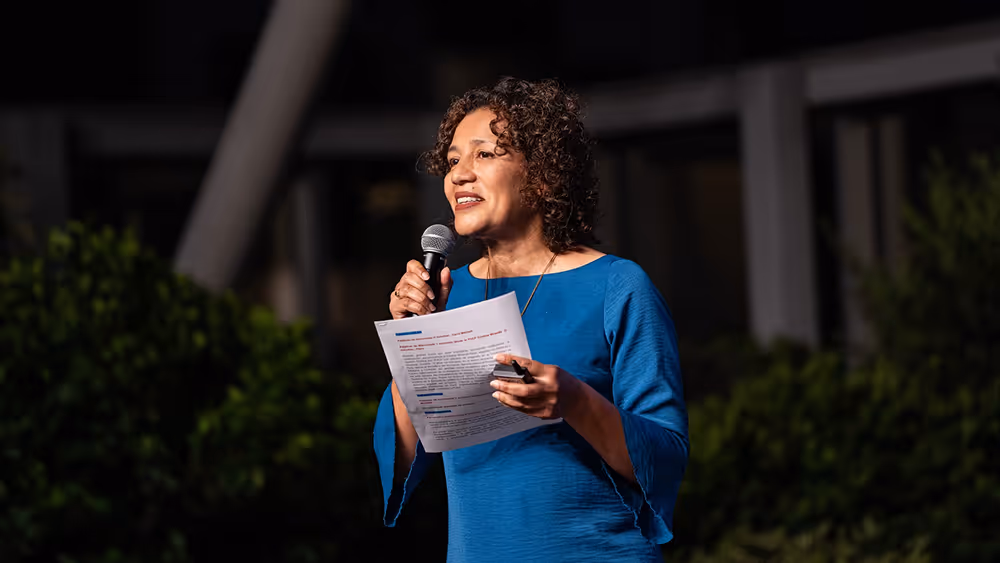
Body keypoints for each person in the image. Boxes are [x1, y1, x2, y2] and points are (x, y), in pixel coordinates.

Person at [373, 77, 689, 562]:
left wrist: (574, 400)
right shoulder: (447, 293)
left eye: (484, 154)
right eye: (453, 161)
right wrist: (411, 337)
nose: (459, 175)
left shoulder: (617, 285)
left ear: (543, 174)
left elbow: (665, 458)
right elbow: (405, 457)